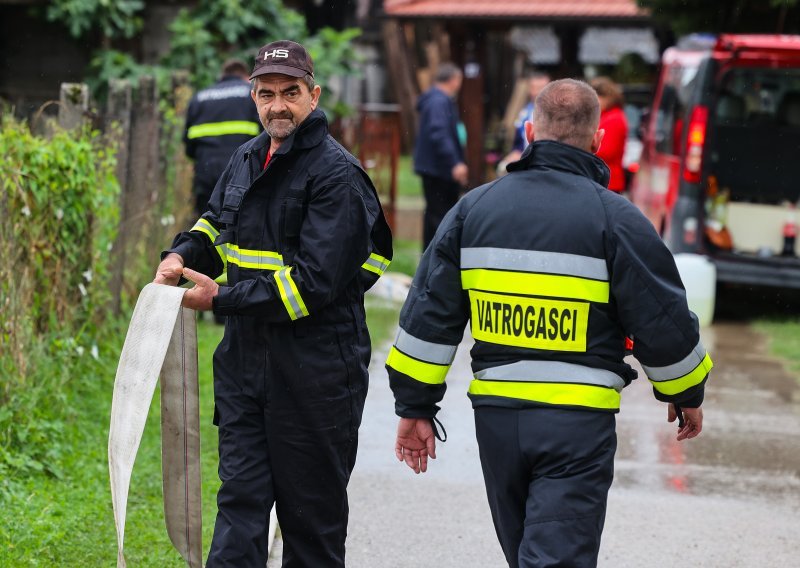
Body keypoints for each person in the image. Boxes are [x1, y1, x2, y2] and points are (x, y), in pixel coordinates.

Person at [385, 79, 712, 567]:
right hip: (576, 424)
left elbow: (428, 313)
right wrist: (685, 390)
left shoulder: (472, 210)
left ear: (528, 130)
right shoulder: (615, 219)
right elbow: (661, 318)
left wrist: (415, 404)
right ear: (598, 140)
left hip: (497, 421)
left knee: (529, 556)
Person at [154, 39, 392, 567]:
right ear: (252, 95)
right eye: (266, 94)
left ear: (314, 94)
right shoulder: (246, 156)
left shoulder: (337, 175)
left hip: (316, 374)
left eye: (290, 92)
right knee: (239, 508)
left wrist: (224, 297)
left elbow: (312, 284)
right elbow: (215, 227)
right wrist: (180, 254)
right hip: (245, 368)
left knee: (310, 524)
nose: (277, 105)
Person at [184, 58, 262, 219]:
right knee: (240, 223)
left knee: (207, 223)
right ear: (246, 76)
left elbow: (188, 145)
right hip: (242, 170)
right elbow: (265, 135)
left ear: (222, 76)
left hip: (205, 169)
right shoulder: (251, 94)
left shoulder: (200, 97)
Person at [413, 62, 468, 250]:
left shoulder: (435, 99)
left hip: (433, 167)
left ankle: (428, 258)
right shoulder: (439, 101)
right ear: (453, 80)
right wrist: (454, 163)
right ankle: (437, 258)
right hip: (439, 169)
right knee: (441, 217)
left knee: (433, 215)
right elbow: (439, 133)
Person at [497, 71, 550, 174]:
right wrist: (516, 153)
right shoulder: (524, 111)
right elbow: (518, 143)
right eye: (534, 87)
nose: (536, 92)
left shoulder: (553, 113)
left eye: (541, 88)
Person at [591, 76, 628, 193]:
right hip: (604, 179)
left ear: (607, 98)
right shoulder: (607, 115)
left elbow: (607, 151)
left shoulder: (614, 118)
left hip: (609, 181)